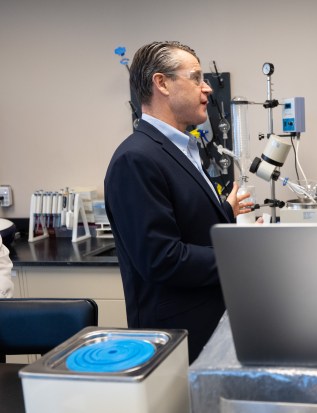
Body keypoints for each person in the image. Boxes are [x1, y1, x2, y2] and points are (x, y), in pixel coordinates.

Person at [104, 41, 256, 363]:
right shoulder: (136, 158)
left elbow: (185, 223)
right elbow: (162, 258)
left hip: (206, 327)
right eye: (196, 78)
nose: (207, 90)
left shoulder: (182, 151)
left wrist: (225, 212)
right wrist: (242, 255)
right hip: (176, 341)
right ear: (162, 83)